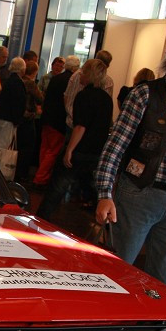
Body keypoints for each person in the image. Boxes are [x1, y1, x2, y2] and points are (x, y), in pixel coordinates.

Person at [94, 34, 166, 284]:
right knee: (119, 270)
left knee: (160, 279)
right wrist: (105, 194)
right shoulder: (144, 95)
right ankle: (113, 320)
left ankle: (152, 323)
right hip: (140, 195)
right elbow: (114, 147)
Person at [38, 59, 112, 220]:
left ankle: (40, 221)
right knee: (92, 189)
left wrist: (69, 150)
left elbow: (80, 126)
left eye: (84, 72)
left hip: (81, 150)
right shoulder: (106, 99)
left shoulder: (84, 96)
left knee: (56, 189)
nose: (80, 75)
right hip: (96, 152)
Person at [32, 54, 80, 186]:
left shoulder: (55, 78)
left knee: (44, 148)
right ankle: (41, 178)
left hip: (47, 118)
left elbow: (45, 98)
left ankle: (40, 174)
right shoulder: (72, 82)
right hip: (59, 121)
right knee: (53, 151)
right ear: (76, 68)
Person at [64, 50, 114, 130]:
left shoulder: (76, 75)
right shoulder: (108, 82)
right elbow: (105, 110)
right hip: (92, 128)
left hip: (73, 123)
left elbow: (68, 99)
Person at [0, 57, 27, 158]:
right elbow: (18, 103)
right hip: (8, 119)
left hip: (1, 116)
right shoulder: (18, 83)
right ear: (22, 69)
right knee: (2, 147)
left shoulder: (8, 80)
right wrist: (17, 120)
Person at [17, 60, 44, 182]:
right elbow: (40, 98)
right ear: (34, 72)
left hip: (19, 117)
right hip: (28, 118)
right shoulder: (31, 84)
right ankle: (22, 173)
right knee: (27, 147)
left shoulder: (20, 81)